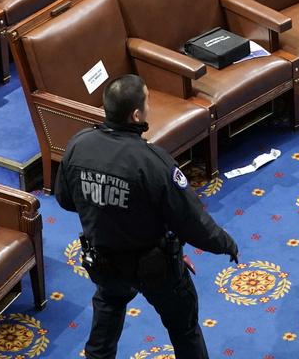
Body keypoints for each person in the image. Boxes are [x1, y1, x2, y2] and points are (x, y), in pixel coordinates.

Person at [55, 74, 238, 359]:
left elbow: (66, 199)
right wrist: (224, 243)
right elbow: (190, 221)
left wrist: (106, 210)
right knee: (184, 330)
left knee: (105, 321)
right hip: (156, 268)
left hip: (104, 262)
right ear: (136, 114)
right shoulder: (153, 161)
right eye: (148, 101)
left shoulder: (79, 144)